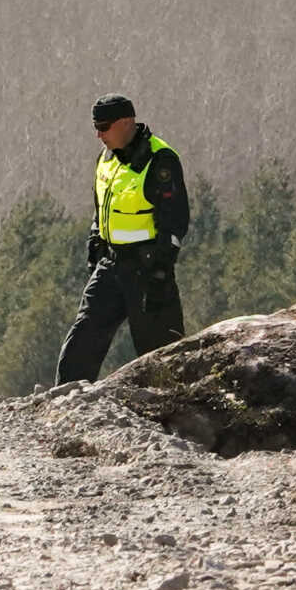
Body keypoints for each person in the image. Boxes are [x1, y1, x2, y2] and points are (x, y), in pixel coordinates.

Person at [56, 95, 190, 383]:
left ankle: (173, 410)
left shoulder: (160, 159)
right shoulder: (105, 158)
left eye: (104, 127)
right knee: (83, 338)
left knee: (161, 353)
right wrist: (95, 242)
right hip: (110, 265)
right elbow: (102, 208)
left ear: (127, 122)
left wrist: (159, 271)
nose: (99, 134)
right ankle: (64, 401)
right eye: (96, 127)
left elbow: (175, 222)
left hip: (148, 269)